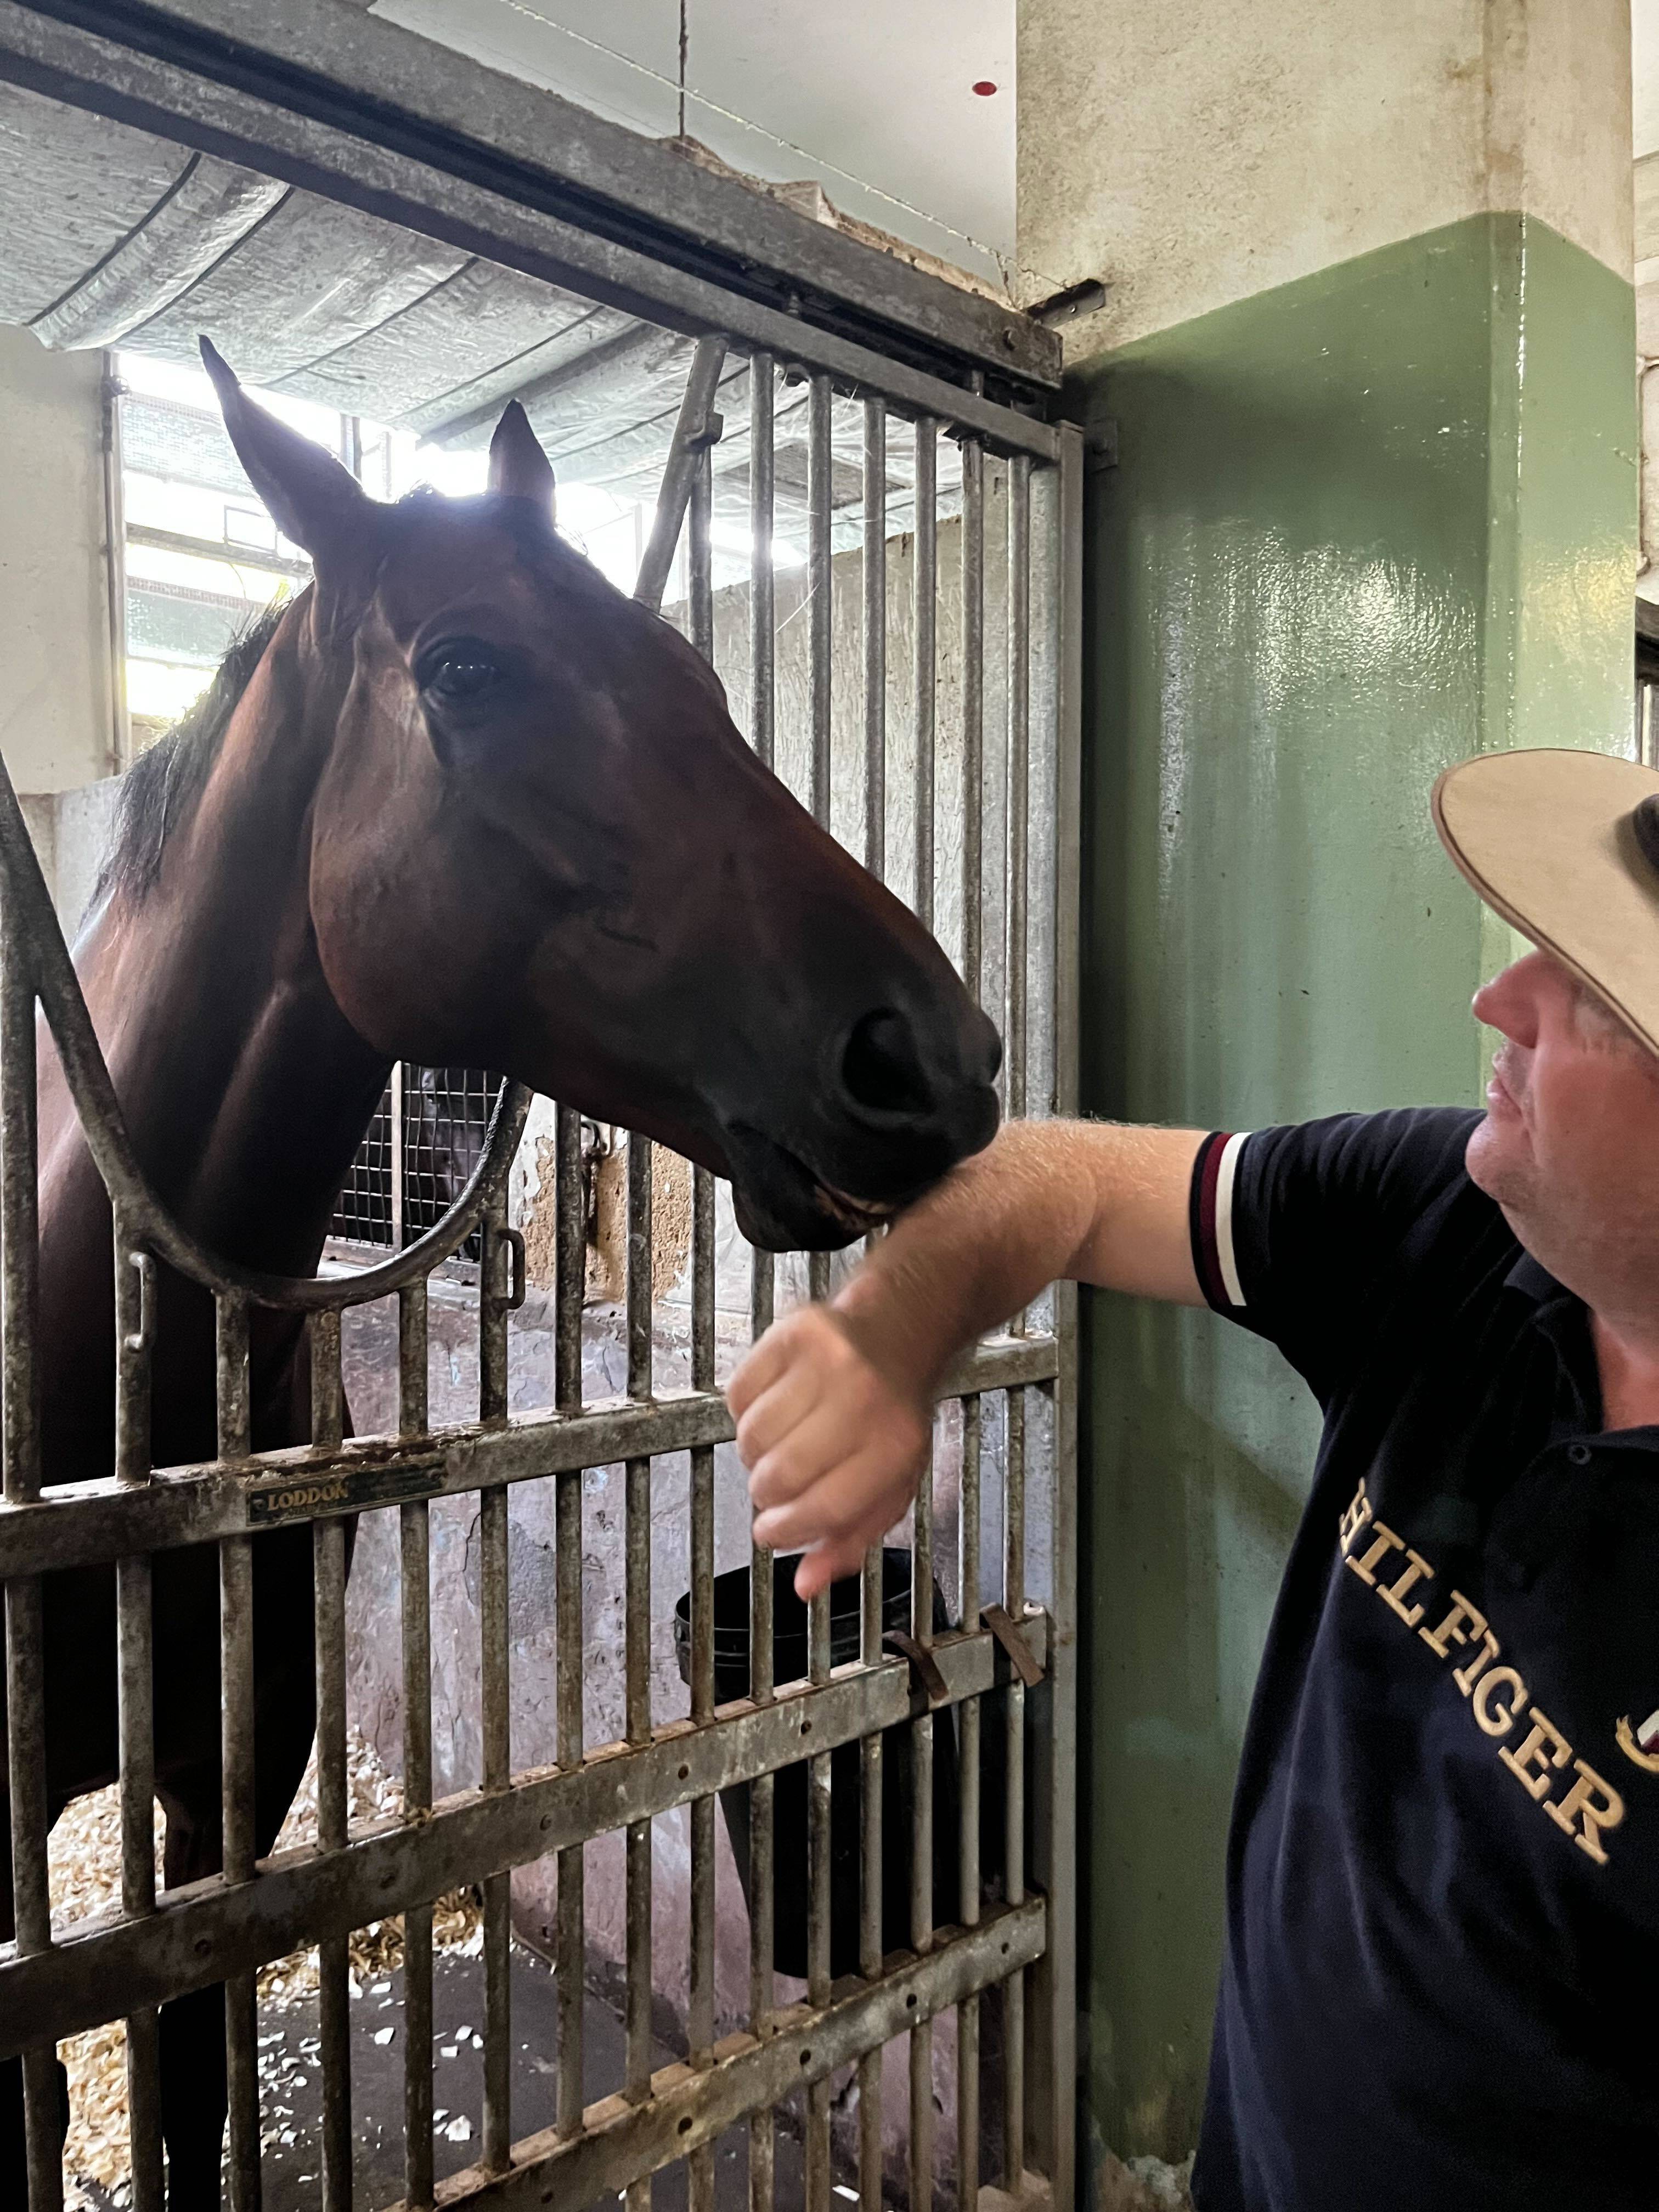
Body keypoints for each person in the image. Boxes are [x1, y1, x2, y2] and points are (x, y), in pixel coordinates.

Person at [727, 747, 1659, 2211]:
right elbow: (1072, 1182)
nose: (1500, 1001)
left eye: (1591, 996)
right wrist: (893, 1332)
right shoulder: (1453, 1227)